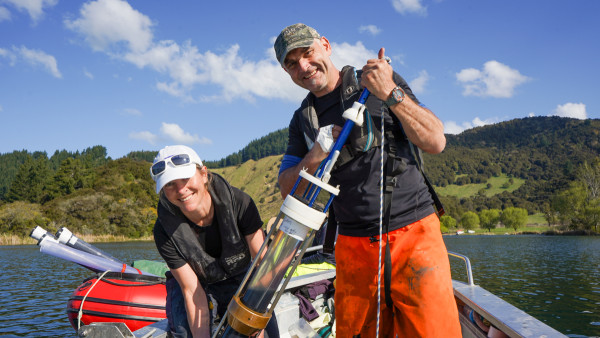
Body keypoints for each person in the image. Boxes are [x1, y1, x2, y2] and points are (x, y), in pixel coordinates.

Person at [274, 23, 461, 337]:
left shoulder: (376, 81)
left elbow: (435, 140)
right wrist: (316, 153)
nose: (303, 67)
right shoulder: (302, 120)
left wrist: (390, 93)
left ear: (325, 46)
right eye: (291, 63)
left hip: (415, 235)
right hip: (353, 246)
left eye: (307, 53)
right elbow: (285, 190)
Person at [150, 145, 278, 337]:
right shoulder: (163, 231)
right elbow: (192, 290)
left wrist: (254, 322)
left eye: (186, 178)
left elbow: (263, 267)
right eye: (170, 184)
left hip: (241, 277)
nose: (181, 189)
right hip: (197, 285)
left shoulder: (241, 203)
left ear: (203, 174)